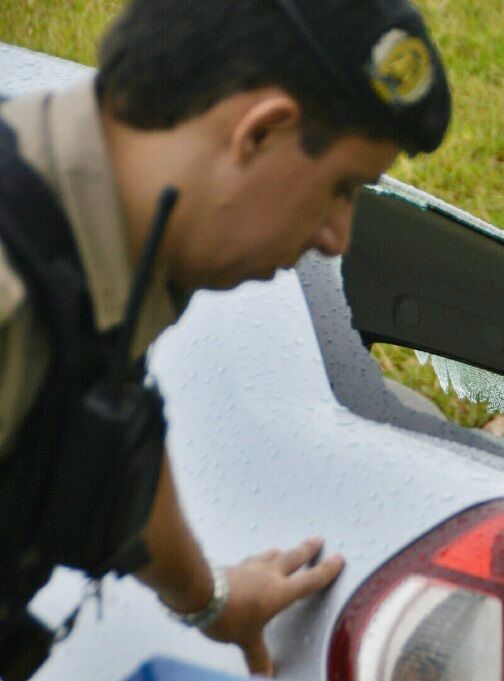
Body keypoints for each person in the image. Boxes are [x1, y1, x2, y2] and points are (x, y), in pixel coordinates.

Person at [0, 0, 451, 677]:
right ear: (260, 132)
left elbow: (113, 430)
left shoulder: (96, 240)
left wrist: (212, 599)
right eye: (342, 188)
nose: (337, 237)